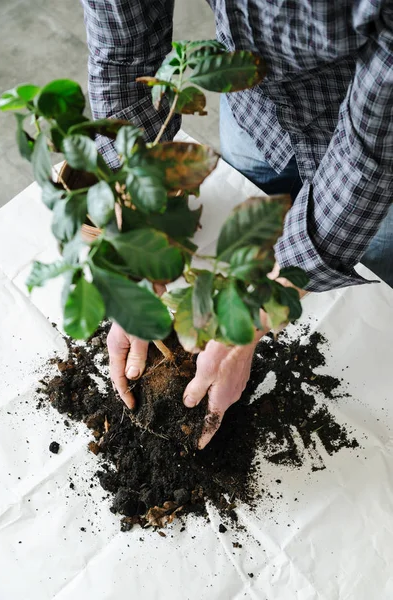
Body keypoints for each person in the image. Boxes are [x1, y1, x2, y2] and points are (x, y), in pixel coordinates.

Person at [81, 0, 393, 447]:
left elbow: (372, 151)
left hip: (378, 159)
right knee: (247, 180)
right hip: (256, 106)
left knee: (377, 281)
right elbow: (125, 55)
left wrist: (258, 309)